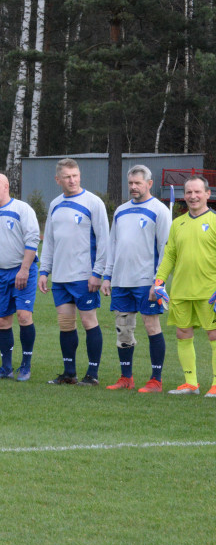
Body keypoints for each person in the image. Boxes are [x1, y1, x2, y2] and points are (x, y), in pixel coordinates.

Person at [38, 158, 109, 386]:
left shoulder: (93, 202)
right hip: (60, 277)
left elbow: (104, 241)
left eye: (75, 175)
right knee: (66, 324)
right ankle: (69, 373)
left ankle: (92, 374)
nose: (72, 180)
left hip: (84, 276)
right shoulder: (55, 204)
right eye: (67, 177)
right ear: (58, 180)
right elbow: (48, 241)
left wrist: (98, 272)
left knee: (89, 321)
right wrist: (44, 271)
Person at [101, 165, 171, 392]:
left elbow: (166, 249)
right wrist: (107, 275)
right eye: (130, 183)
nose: (133, 187)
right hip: (121, 282)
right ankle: (126, 377)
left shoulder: (159, 210)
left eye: (137, 183)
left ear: (149, 184)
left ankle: (156, 380)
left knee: (151, 326)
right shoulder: (120, 211)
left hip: (146, 282)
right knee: (123, 329)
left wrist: (157, 281)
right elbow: (113, 245)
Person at [153, 176, 216, 396]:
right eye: (188, 192)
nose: (193, 196)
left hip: (210, 292)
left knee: (214, 334)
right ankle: (191, 383)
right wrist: (159, 281)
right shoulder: (177, 223)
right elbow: (169, 255)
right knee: (183, 333)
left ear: (208, 194)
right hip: (181, 290)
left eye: (198, 192)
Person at [0, 173, 40, 381]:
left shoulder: (22, 209)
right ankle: (6, 367)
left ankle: (26, 365)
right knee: (2, 320)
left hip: (22, 270)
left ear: (6, 186)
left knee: (23, 315)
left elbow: (32, 240)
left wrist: (24, 269)